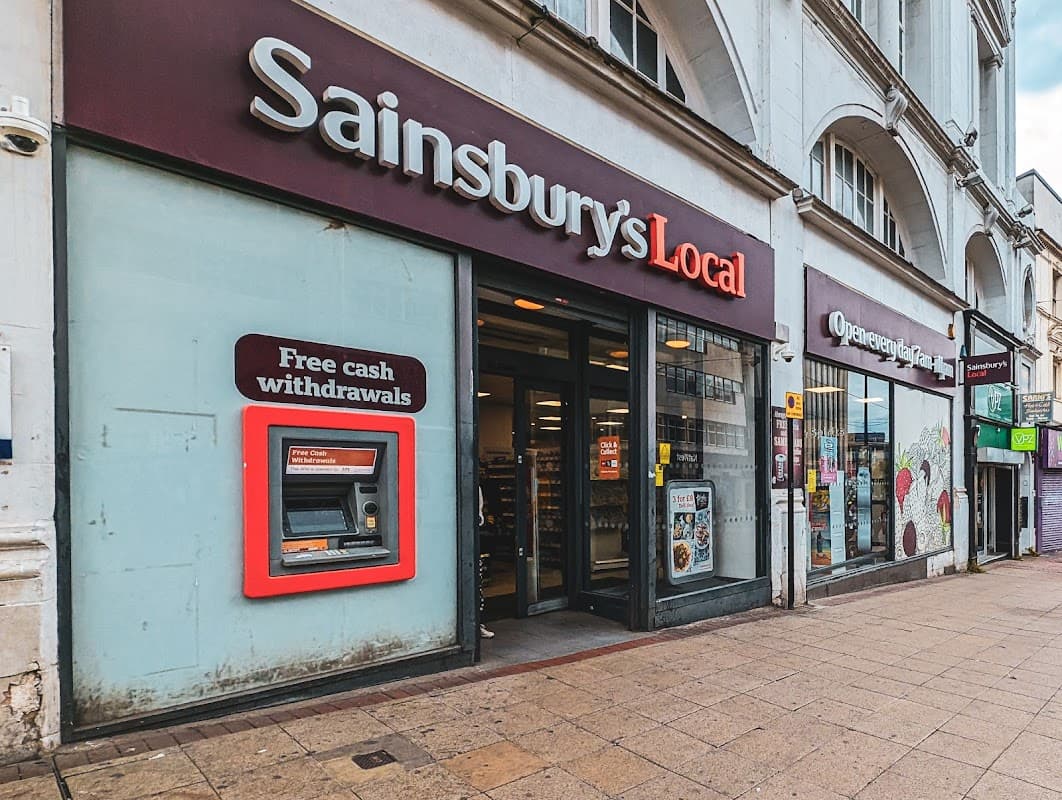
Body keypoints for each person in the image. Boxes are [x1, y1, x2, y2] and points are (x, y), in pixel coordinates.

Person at [478, 486, 494, 639]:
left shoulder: (476, 487)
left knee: (477, 586)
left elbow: (480, 516)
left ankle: (478, 624)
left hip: (474, 542)